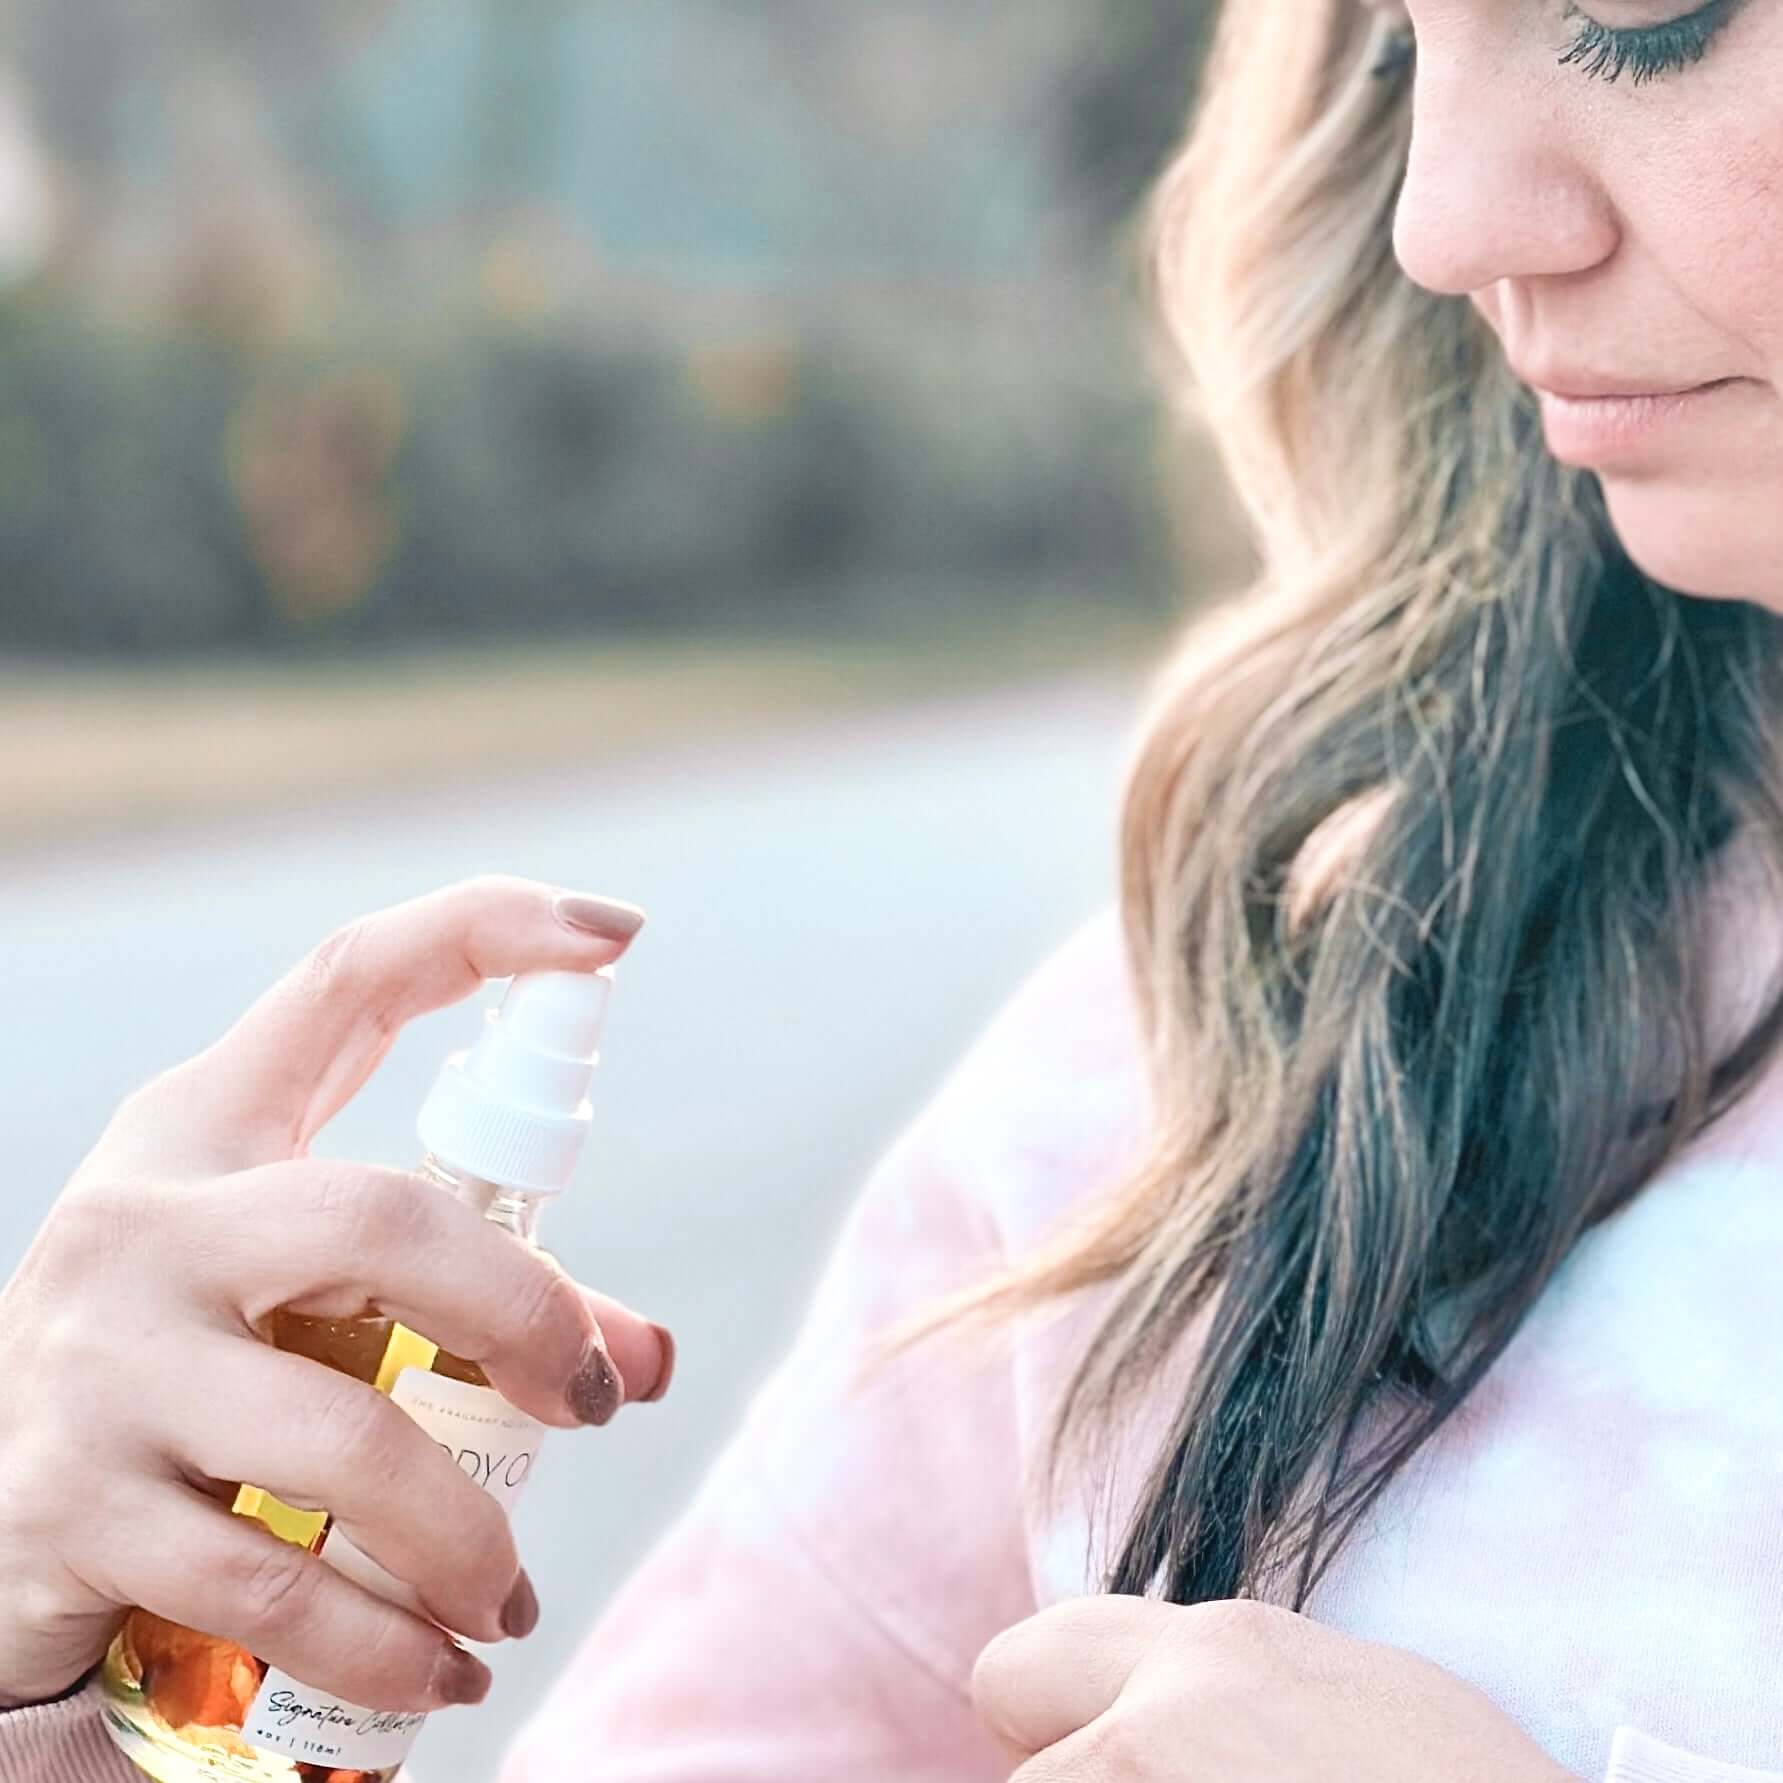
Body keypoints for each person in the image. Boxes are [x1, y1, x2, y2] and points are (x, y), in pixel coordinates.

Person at [8, 0, 1783, 1774]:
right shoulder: (1249, 1046)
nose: (1441, 223)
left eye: (1644, 19)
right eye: (1398, 44)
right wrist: (50, 1699)